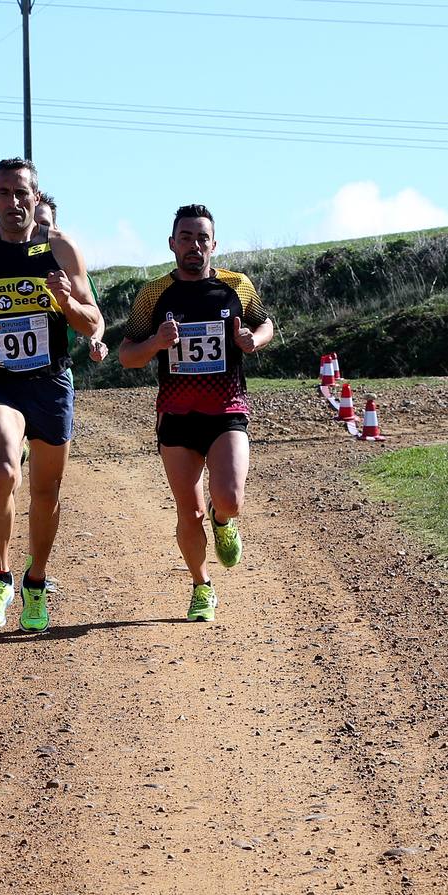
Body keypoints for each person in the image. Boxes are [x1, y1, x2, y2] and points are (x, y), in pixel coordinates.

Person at [0, 158, 103, 633]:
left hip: (49, 379)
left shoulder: (61, 248)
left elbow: (92, 321)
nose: (14, 202)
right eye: (4, 193)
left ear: (37, 196)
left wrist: (66, 300)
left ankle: (36, 580)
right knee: (5, 466)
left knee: (47, 490)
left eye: (22, 193)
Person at [117, 204, 274, 622]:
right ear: (172, 244)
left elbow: (267, 324)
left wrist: (252, 340)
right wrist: (155, 344)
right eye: (186, 237)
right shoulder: (154, 294)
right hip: (177, 414)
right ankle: (201, 586)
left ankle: (225, 522)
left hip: (227, 409)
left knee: (230, 498)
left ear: (214, 244)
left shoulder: (237, 286)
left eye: (202, 238)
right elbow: (127, 355)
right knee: (189, 512)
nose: (194, 246)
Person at [35, 192, 108, 365]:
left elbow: (95, 316)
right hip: (0, 378)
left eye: (45, 225)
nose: (39, 232)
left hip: (55, 370)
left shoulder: (70, 269)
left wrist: (95, 339)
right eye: (32, 226)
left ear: (56, 228)